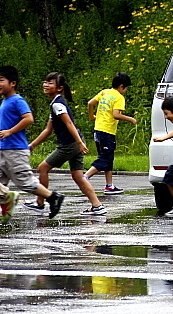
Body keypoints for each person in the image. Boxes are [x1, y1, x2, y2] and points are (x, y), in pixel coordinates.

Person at [26, 72, 106, 215]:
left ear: (59, 88)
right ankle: (97, 206)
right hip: (74, 143)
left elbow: (69, 124)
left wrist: (79, 143)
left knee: (42, 168)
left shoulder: (57, 104)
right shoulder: (55, 103)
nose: (46, 84)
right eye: (45, 82)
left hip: (70, 145)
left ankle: (39, 202)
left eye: (50, 83)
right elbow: (48, 130)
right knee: (78, 176)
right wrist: (32, 145)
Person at [0, 66, 64, 221]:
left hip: (15, 150)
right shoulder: (5, 101)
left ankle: (53, 197)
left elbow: (28, 118)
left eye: (1, 80)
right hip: (3, 149)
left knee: (25, 182)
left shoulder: (17, 100)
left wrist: (9, 131)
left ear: (13, 83)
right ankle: (7, 201)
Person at [83, 72, 137, 194]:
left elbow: (90, 103)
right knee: (105, 158)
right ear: (122, 86)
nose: (126, 90)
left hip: (98, 129)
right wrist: (130, 119)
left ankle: (109, 185)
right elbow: (116, 115)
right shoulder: (119, 97)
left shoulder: (104, 92)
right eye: (126, 88)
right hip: (106, 131)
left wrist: (92, 116)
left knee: (108, 158)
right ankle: (85, 177)